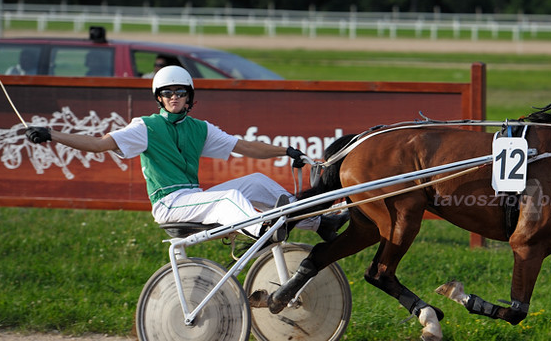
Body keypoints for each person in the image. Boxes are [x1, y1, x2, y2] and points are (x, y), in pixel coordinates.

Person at [24, 65, 346, 240]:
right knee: (228, 199)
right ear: (159, 99)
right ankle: (265, 231)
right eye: (167, 93)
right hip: (169, 204)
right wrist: (52, 134)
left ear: (189, 97)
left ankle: (317, 223)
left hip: (193, 198)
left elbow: (243, 146)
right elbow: (98, 144)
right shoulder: (144, 127)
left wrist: (286, 150)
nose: (174, 97)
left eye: (180, 92)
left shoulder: (200, 129)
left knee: (258, 184)